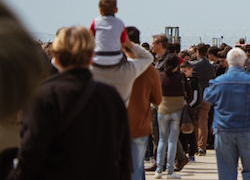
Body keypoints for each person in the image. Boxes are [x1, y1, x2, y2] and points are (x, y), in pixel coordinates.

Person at [10, 26, 132, 179]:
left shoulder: (44, 96)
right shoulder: (111, 96)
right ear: (92, 56)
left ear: (55, 57)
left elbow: (30, 155)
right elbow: (124, 156)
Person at [203, 47, 250, 180]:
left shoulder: (218, 82)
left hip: (224, 130)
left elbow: (208, 97)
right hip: (249, 130)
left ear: (227, 62)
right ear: (245, 62)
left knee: (226, 173)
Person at [126, 26, 163, 180]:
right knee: (137, 166)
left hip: (117, 124)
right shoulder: (149, 69)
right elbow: (158, 99)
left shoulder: (115, 68)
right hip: (140, 124)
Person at [155, 54, 188, 179]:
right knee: (172, 140)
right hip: (177, 111)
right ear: (177, 65)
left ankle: (159, 169)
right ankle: (170, 171)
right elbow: (189, 93)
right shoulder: (181, 76)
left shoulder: (160, 76)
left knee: (162, 139)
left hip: (162, 109)